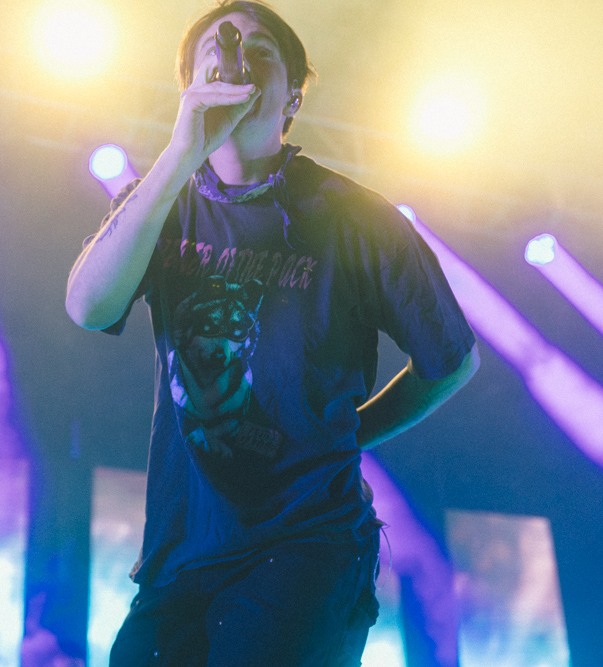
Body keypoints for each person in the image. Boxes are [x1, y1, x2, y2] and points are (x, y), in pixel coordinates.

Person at [66, 1, 479, 664]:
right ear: (191, 87)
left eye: (261, 53)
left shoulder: (357, 218)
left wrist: (352, 430)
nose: (236, 61)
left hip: (307, 543)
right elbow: (88, 306)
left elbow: (451, 360)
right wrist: (181, 152)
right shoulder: (160, 200)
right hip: (182, 551)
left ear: (293, 96)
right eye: (216, 52)